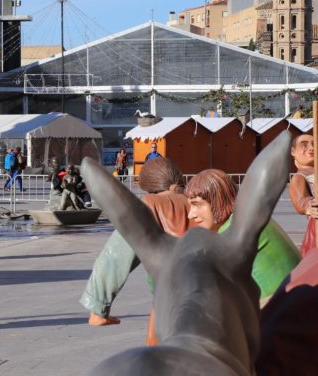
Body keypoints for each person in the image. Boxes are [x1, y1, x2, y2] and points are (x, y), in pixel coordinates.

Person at [80, 157, 191, 326]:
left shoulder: (149, 206)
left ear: (148, 185)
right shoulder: (199, 201)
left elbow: (113, 259)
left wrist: (98, 307)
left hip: (170, 302)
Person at [185, 168, 301, 303]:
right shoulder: (246, 216)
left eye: (197, 205)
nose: (190, 214)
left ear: (219, 200)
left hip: (277, 302)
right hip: (291, 293)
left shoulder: (233, 230)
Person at [287, 133, 318, 255]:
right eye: (304, 145)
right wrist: (309, 206)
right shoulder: (299, 177)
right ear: (293, 151)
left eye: (314, 145)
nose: (311, 148)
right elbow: (301, 200)